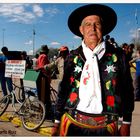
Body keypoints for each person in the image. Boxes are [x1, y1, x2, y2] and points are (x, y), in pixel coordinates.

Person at [52, 4, 134, 136]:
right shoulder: (72, 57)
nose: (93, 28)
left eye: (97, 24)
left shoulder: (118, 56)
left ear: (103, 28)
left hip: (106, 127)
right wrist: (56, 122)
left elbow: (127, 91)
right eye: (88, 24)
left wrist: (126, 123)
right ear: (81, 29)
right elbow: (64, 90)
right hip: (73, 124)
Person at [36, 44, 52, 119]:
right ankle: (45, 112)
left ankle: (42, 111)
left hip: (41, 78)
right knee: (45, 96)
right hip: (44, 79)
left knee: (42, 96)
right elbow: (42, 68)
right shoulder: (44, 56)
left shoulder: (40, 56)